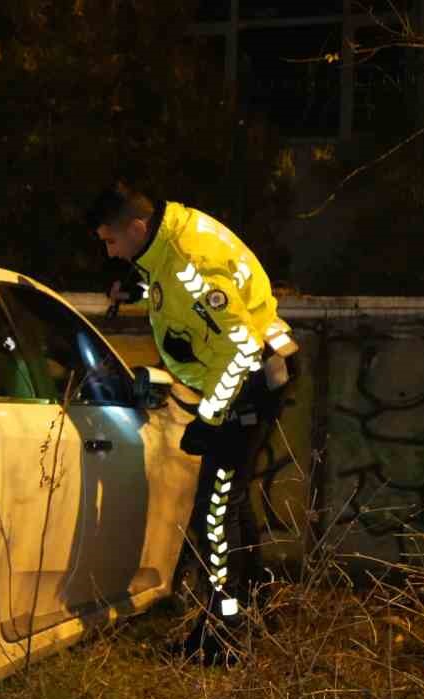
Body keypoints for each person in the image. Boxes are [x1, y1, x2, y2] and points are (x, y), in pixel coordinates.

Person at [87, 182, 298, 665]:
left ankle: (225, 634)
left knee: (214, 512)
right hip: (257, 375)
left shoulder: (188, 261)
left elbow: (241, 348)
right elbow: (186, 299)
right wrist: (142, 292)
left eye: (111, 241)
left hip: (251, 380)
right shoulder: (171, 241)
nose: (110, 252)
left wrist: (210, 418)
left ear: (136, 227)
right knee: (231, 503)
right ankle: (253, 612)